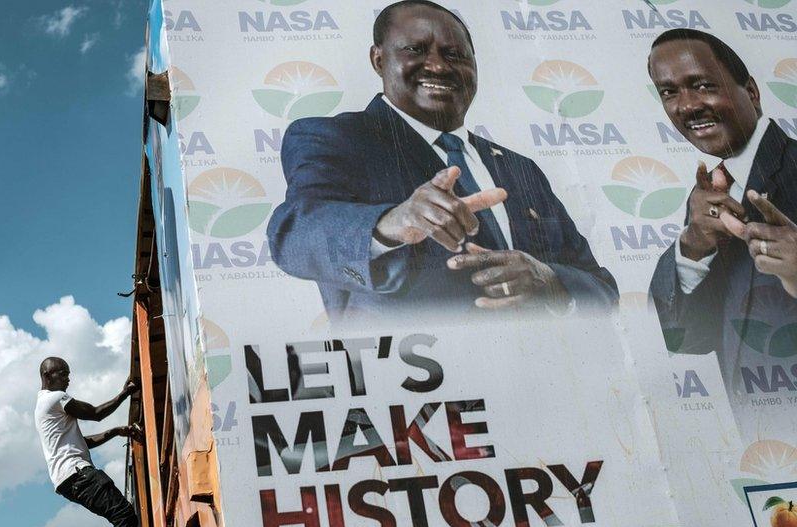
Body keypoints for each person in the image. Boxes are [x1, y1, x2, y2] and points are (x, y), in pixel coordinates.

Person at [266, 0, 617, 324]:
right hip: (419, 384)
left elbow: (600, 287)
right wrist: (390, 223)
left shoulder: (519, 169)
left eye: (455, 54)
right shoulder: (335, 138)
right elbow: (294, 236)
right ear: (378, 59)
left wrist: (552, 282)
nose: (437, 65)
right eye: (415, 50)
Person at [647, 29, 797, 397]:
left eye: (701, 84)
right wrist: (693, 246)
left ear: (751, 92)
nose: (687, 106)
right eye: (669, 93)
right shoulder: (710, 196)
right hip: (763, 444)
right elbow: (683, 340)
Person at [35, 356, 142, 527]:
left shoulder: (42, 407)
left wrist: (115, 431)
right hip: (78, 474)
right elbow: (96, 413)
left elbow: (82, 443)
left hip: (67, 481)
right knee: (123, 515)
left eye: (69, 374)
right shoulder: (56, 398)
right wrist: (125, 392)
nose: (68, 379)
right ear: (47, 376)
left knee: (120, 516)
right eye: (63, 374)